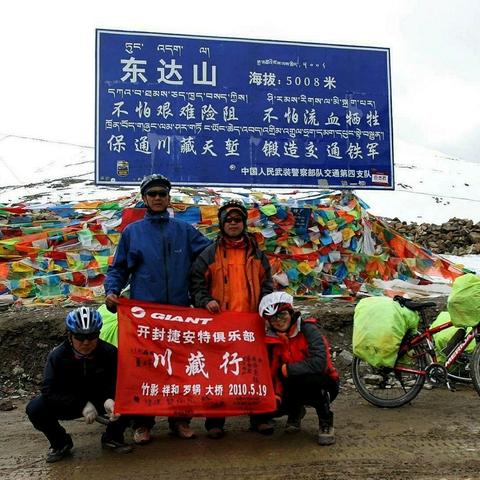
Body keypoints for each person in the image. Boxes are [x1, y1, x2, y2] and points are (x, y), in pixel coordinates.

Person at [104, 174, 211, 444]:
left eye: (162, 193)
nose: (158, 198)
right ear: (144, 199)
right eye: (152, 194)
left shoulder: (184, 231)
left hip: (178, 312)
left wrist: (241, 246)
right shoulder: (133, 233)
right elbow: (119, 268)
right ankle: (143, 423)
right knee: (145, 368)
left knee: (180, 368)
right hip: (144, 315)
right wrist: (112, 291)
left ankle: (180, 419)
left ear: (169, 197)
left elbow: (212, 254)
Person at [189, 199, 273, 439]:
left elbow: (267, 282)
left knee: (254, 371)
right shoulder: (209, 253)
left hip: (251, 324)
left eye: (238, 220)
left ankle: (260, 417)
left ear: (244, 223)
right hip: (220, 325)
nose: (233, 224)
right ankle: (215, 421)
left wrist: (265, 305)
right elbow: (195, 282)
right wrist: (205, 301)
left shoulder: (257, 253)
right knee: (218, 372)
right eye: (229, 220)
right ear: (222, 224)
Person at [26, 307, 133, 463]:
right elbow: (49, 390)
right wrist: (81, 405)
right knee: (35, 408)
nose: (86, 342)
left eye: (92, 336)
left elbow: (120, 381)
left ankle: (113, 437)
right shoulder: (57, 356)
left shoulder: (110, 352)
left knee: (129, 397)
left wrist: (110, 399)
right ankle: (60, 443)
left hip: (100, 400)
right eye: (80, 337)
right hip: (70, 402)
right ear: (70, 335)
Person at [258, 292, 339, 445]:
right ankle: (295, 412)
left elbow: (320, 363)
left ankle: (326, 421)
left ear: (291, 312)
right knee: (275, 407)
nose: (279, 321)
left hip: (323, 381)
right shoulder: (272, 340)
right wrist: (276, 395)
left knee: (309, 380)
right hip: (293, 382)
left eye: (282, 315)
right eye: (274, 319)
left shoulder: (308, 330)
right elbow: (274, 372)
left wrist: (288, 369)